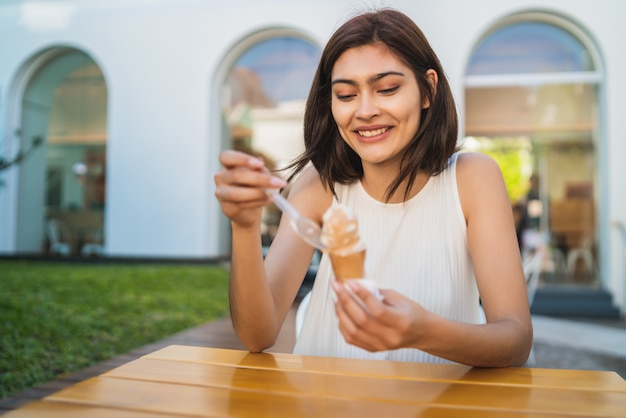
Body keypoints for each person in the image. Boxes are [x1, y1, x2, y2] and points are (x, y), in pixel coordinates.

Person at [214, 8, 533, 367]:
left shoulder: (473, 178)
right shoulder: (320, 184)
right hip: (324, 400)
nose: (364, 111)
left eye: (387, 89)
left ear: (428, 89)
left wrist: (424, 333)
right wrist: (244, 226)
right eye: (346, 95)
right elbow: (258, 336)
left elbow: (515, 339)